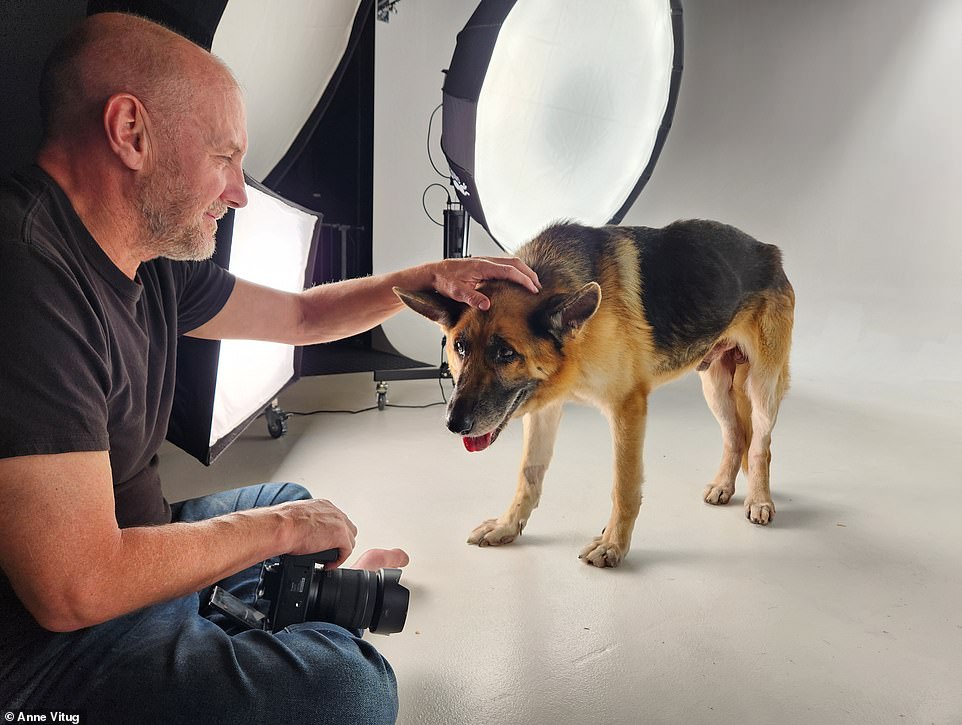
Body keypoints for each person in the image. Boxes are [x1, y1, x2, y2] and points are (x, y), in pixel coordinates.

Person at [0, 12, 540, 724]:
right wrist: (280, 532)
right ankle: (262, 619)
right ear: (131, 132)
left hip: (133, 549)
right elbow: (72, 588)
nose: (239, 191)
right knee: (350, 690)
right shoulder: (28, 273)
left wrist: (428, 277)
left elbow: (301, 318)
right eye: (224, 157)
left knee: (292, 494)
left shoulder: (144, 257)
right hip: (44, 648)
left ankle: (247, 616)